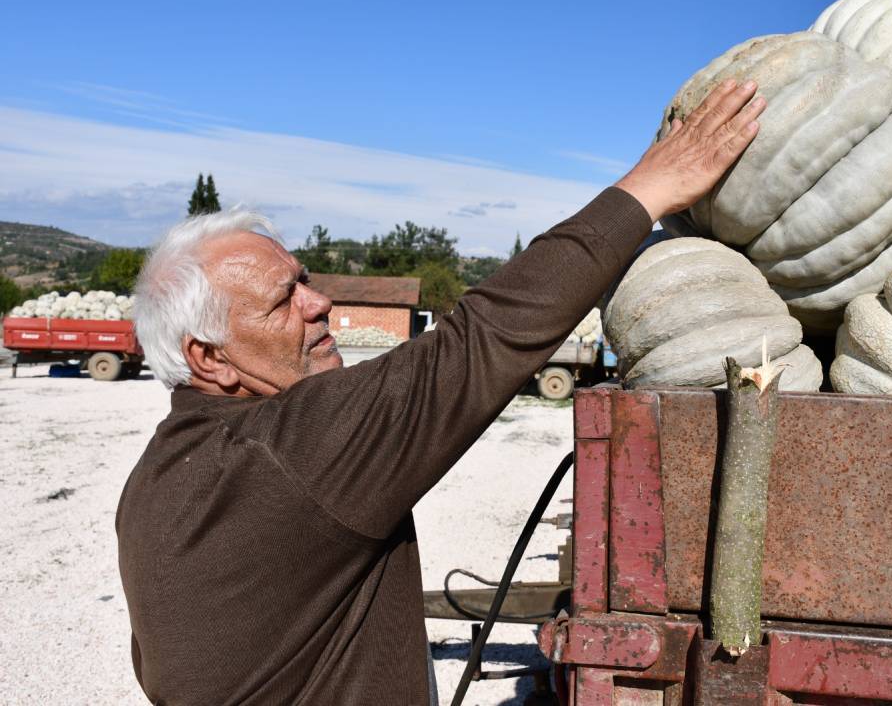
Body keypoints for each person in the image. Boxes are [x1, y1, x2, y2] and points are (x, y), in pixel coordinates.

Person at [116, 79, 764, 705]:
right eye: (283, 300)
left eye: (304, 279)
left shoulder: (153, 481)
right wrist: (650, 188)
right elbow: (479, 339)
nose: (320, 303)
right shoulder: (292, 452)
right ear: (210, 357)